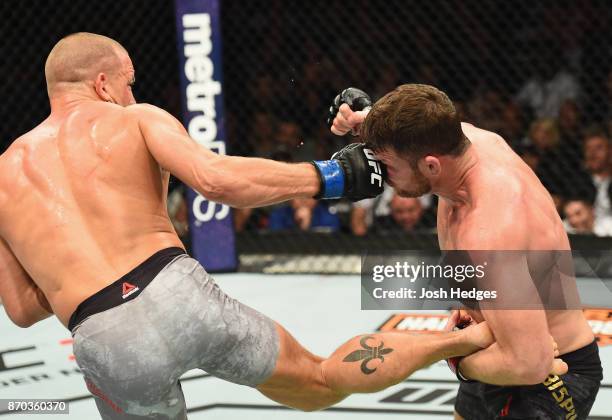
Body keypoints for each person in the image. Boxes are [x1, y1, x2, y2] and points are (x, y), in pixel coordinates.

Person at [0, 33, 507, 419]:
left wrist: (78, 270)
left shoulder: (4, 174)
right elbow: (215, 180)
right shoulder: (132, 119)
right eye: (129, 83)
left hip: (99, 333)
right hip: (175, 292)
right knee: (320, 380)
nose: (132, 94)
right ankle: (458, 342)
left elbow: (21, 310)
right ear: (103, 83)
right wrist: (328, 177)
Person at [330, 84, 602, 419]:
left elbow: (528, 363)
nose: (382, 177)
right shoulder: (460, 141)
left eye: (389, 166)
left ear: (431, 166)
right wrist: (366, 119)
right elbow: (423, 118)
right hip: (495, 347)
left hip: (548, 373)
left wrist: (458, 359)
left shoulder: (490, 232)